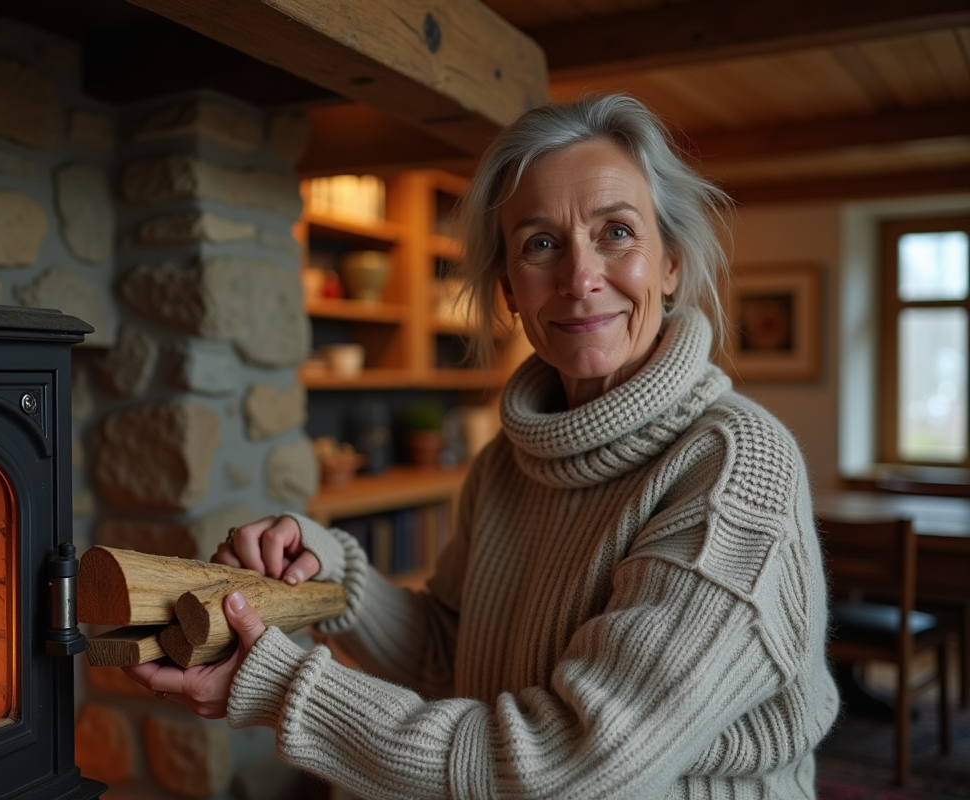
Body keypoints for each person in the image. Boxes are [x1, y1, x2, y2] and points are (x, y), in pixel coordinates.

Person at [123, 93, 840, 799]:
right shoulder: (508, 463)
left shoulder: (733, 467)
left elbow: (570, 767)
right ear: (509, 291)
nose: (580, 277)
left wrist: (279, 691)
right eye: (541, 245)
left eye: (616, 232)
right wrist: (329, 576)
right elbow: (451, 654)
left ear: (671, 265)